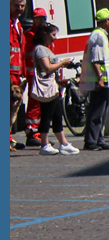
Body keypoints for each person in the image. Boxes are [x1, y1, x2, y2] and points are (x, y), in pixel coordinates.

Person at [31, 23, 79, 156]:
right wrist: (62, 63)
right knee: (47, 115)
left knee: (57, 115)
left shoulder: (46, 49)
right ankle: (44, 144)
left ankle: (64, 144)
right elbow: (47, 68)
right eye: (53, 34)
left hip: (53, 87)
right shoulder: (40, 49)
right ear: (44, 34)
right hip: (47, 88)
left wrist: (65, 64)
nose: (55, 38)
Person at [79, 8, 109, 151]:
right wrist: (100, 79)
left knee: (102, 111)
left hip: (102, 80)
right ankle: (91, 141)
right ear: (107, 21)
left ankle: (98, 138)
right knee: (97, 111)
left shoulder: (100, 35)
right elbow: (96, 59)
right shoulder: (98, 36)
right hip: (100, 81)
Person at [22, 7, 49, 146]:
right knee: (34, 104)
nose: (40, 22)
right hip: (33, 73)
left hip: (43, 73)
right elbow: (24, 55)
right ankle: (31, 132)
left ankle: (38, 132)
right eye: (37, 19)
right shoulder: (29, 35)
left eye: (42, 19)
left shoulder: (45, 35)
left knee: (41, 103)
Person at [10, 0, 27, 151]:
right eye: (17, 6)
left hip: (16, 75)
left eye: (22, 6)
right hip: (9, 74)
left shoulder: (18, 25)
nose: (20, 9)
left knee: (12, 109)